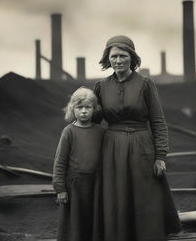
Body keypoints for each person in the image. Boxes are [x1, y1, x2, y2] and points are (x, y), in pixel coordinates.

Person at [94, 35, 182, 241]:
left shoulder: (145, 84)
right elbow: (94, 120)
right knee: (116, 195)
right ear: (108, 58)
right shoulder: (101, 86)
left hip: (142, 146)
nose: (118, 60)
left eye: (123, 56)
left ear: (131, 57)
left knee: (144, 195)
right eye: (113, 56)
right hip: (112, 147)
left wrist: (160, 155)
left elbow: (158, 121)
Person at [52, 87, 104, 241]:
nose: (83, 111)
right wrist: (60, 188)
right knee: (74, 225)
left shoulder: (101, 131)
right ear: (72, 108)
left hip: (95, 186)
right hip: (74, 186)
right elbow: (60, 162)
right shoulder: (69, 132)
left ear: (94, 109)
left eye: (88, 107)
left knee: (93, 222)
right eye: (79, 107)